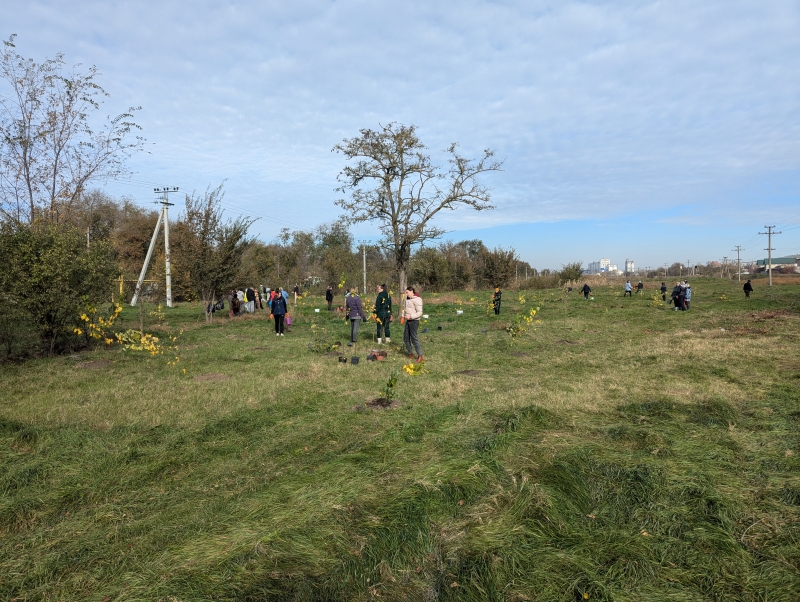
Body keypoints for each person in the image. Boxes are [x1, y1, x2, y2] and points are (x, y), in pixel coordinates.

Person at [403, 286, 424, 362]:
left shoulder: (417, 300)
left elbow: (419, 313)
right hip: (408, 321)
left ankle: (420, 355)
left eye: (407, 292)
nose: (406, 294)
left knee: (414, 339)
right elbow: (405, 309)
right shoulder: (407, 299)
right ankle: (410, 353)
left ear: (412, 291)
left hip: (414, 321)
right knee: (405, 338)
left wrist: (411, 316)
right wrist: (404, 316)